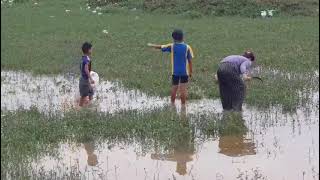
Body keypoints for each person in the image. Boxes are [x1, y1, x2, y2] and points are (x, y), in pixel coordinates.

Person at [148, 29, 194, 106]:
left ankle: (172, 104)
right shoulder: (187, 47)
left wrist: (151, 45)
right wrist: (191, 72)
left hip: (175, 72)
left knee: (174, 89)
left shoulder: (172, 46)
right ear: (183, 37)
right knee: (183, 90)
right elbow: (190, 61)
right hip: (184, 72)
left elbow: (161, 47)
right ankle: (183, 105)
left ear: (173, 38)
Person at [79, 42, 95, 107]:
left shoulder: (83, 58)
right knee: (83, 96)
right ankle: (80, 107)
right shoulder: (87, 60)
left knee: (91, 91)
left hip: (84, 79)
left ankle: (90, 105)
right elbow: (86, 69)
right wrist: (91, 78)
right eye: (91, 49)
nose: (92, 50)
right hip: (84, 81)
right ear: (88, 50)